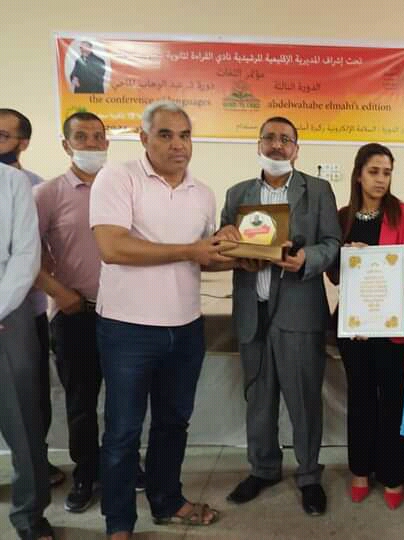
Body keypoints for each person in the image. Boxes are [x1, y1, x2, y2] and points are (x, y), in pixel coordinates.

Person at [89, 101, 225, 538]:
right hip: (127, 329)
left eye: (185, 135)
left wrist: (241, 253)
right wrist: (190, 250)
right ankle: (119, 523)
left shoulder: (203, 193)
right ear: (144, 138)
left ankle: (167, 501)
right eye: (166, 135)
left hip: (185, 327)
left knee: (173, 424)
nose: (177, 144)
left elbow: (204, 257)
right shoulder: (118, 178)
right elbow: (112, 247)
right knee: (123, 432)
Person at [217, 116, 341, 516]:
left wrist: (307, 258)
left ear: (296, 149)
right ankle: (264, 468)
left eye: (285, 139)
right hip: (252, 311)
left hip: (299, 312)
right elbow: (223, 242)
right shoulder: (238, 194)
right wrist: (231, 247)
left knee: (304, 400)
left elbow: (333, 243)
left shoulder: (317, 191)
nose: (276, 145)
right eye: (269, 138)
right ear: (258, 145)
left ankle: (309, 475)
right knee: (258, 398)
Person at [332, 143, 404, 509]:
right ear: (358, 175)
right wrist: (347, 258)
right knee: (361, 398)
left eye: (387, 172)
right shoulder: (342, 217)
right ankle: (360, 470)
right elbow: (334, 273)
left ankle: (393, 473)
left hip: (392, 325)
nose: (381, 179)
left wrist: (382, 280)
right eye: (374, 172)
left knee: (393, 401)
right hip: (354, 327)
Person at [34, 111, 112, 513]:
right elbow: (23, 254)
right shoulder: (47, 194)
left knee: (125, 399)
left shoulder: (123, 187)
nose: (92, 144)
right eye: (82, 137)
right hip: (75, 313)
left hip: (124, 314)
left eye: (98, 137)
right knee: (81, 401)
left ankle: (122, 465)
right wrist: (58, 292)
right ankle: (86, 472)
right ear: (66, 145)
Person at [0, 107, 65, 488]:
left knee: (30, 403)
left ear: (22, 143)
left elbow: (34, 255)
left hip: (26, 312)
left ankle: (35, 472)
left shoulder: (33, 187)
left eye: (4, 136)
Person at [0, 163, 54, 540]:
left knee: (23, 421)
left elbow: (25, 254)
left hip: (7, 307)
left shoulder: (12, 182)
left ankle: (28, 513)